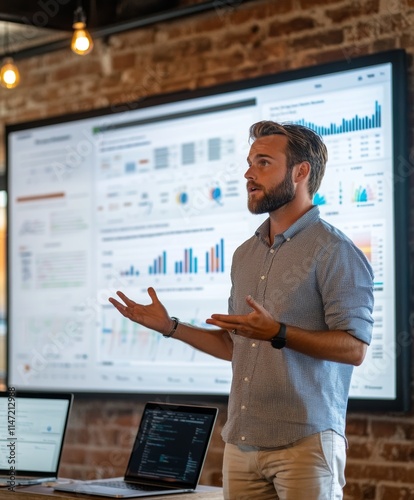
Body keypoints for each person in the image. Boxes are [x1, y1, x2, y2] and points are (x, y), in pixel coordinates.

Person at [109, 120, 374, 500]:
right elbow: (237, 346)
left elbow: (355, 348)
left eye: (263, 162)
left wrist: (278, 333)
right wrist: (170, 326)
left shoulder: (335, 251)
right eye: (249, 163)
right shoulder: (244, 254)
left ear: (301, 172)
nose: (249, 174)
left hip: (305, 444)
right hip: (242, 443)